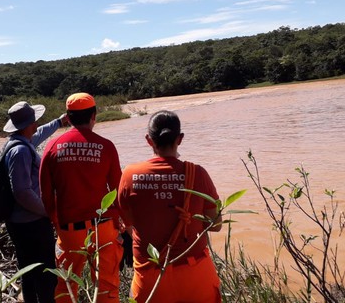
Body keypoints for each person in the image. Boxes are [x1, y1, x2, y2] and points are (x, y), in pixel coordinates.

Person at [118, 110, 222, 303]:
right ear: (180, 139)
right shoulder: (198, 173)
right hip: (195, 273)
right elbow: (215, 225)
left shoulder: (130, 175)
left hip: (150, 275)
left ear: (149, 140)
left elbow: (127, 223)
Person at [39, 92, 123, 303]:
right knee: (106, 285)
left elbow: (46, 193)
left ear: (67, 117)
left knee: (67, 284)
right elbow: (117, 190)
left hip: (69, 229)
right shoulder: (106, 146)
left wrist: (55, 220)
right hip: (102, 229)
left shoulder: (52, 147)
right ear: (94, 116)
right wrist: (121, 222)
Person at [3, 101, 68, 303]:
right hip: (30, 223)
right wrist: (47, 211)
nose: (37, 125)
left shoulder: (19, 141)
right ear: (29, 124)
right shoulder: (20, 151)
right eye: (35, 122)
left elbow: (40, 133)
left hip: (20, 222)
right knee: (45, 273)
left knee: (28, 270)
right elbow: (22, 191)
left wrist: (59, 122)